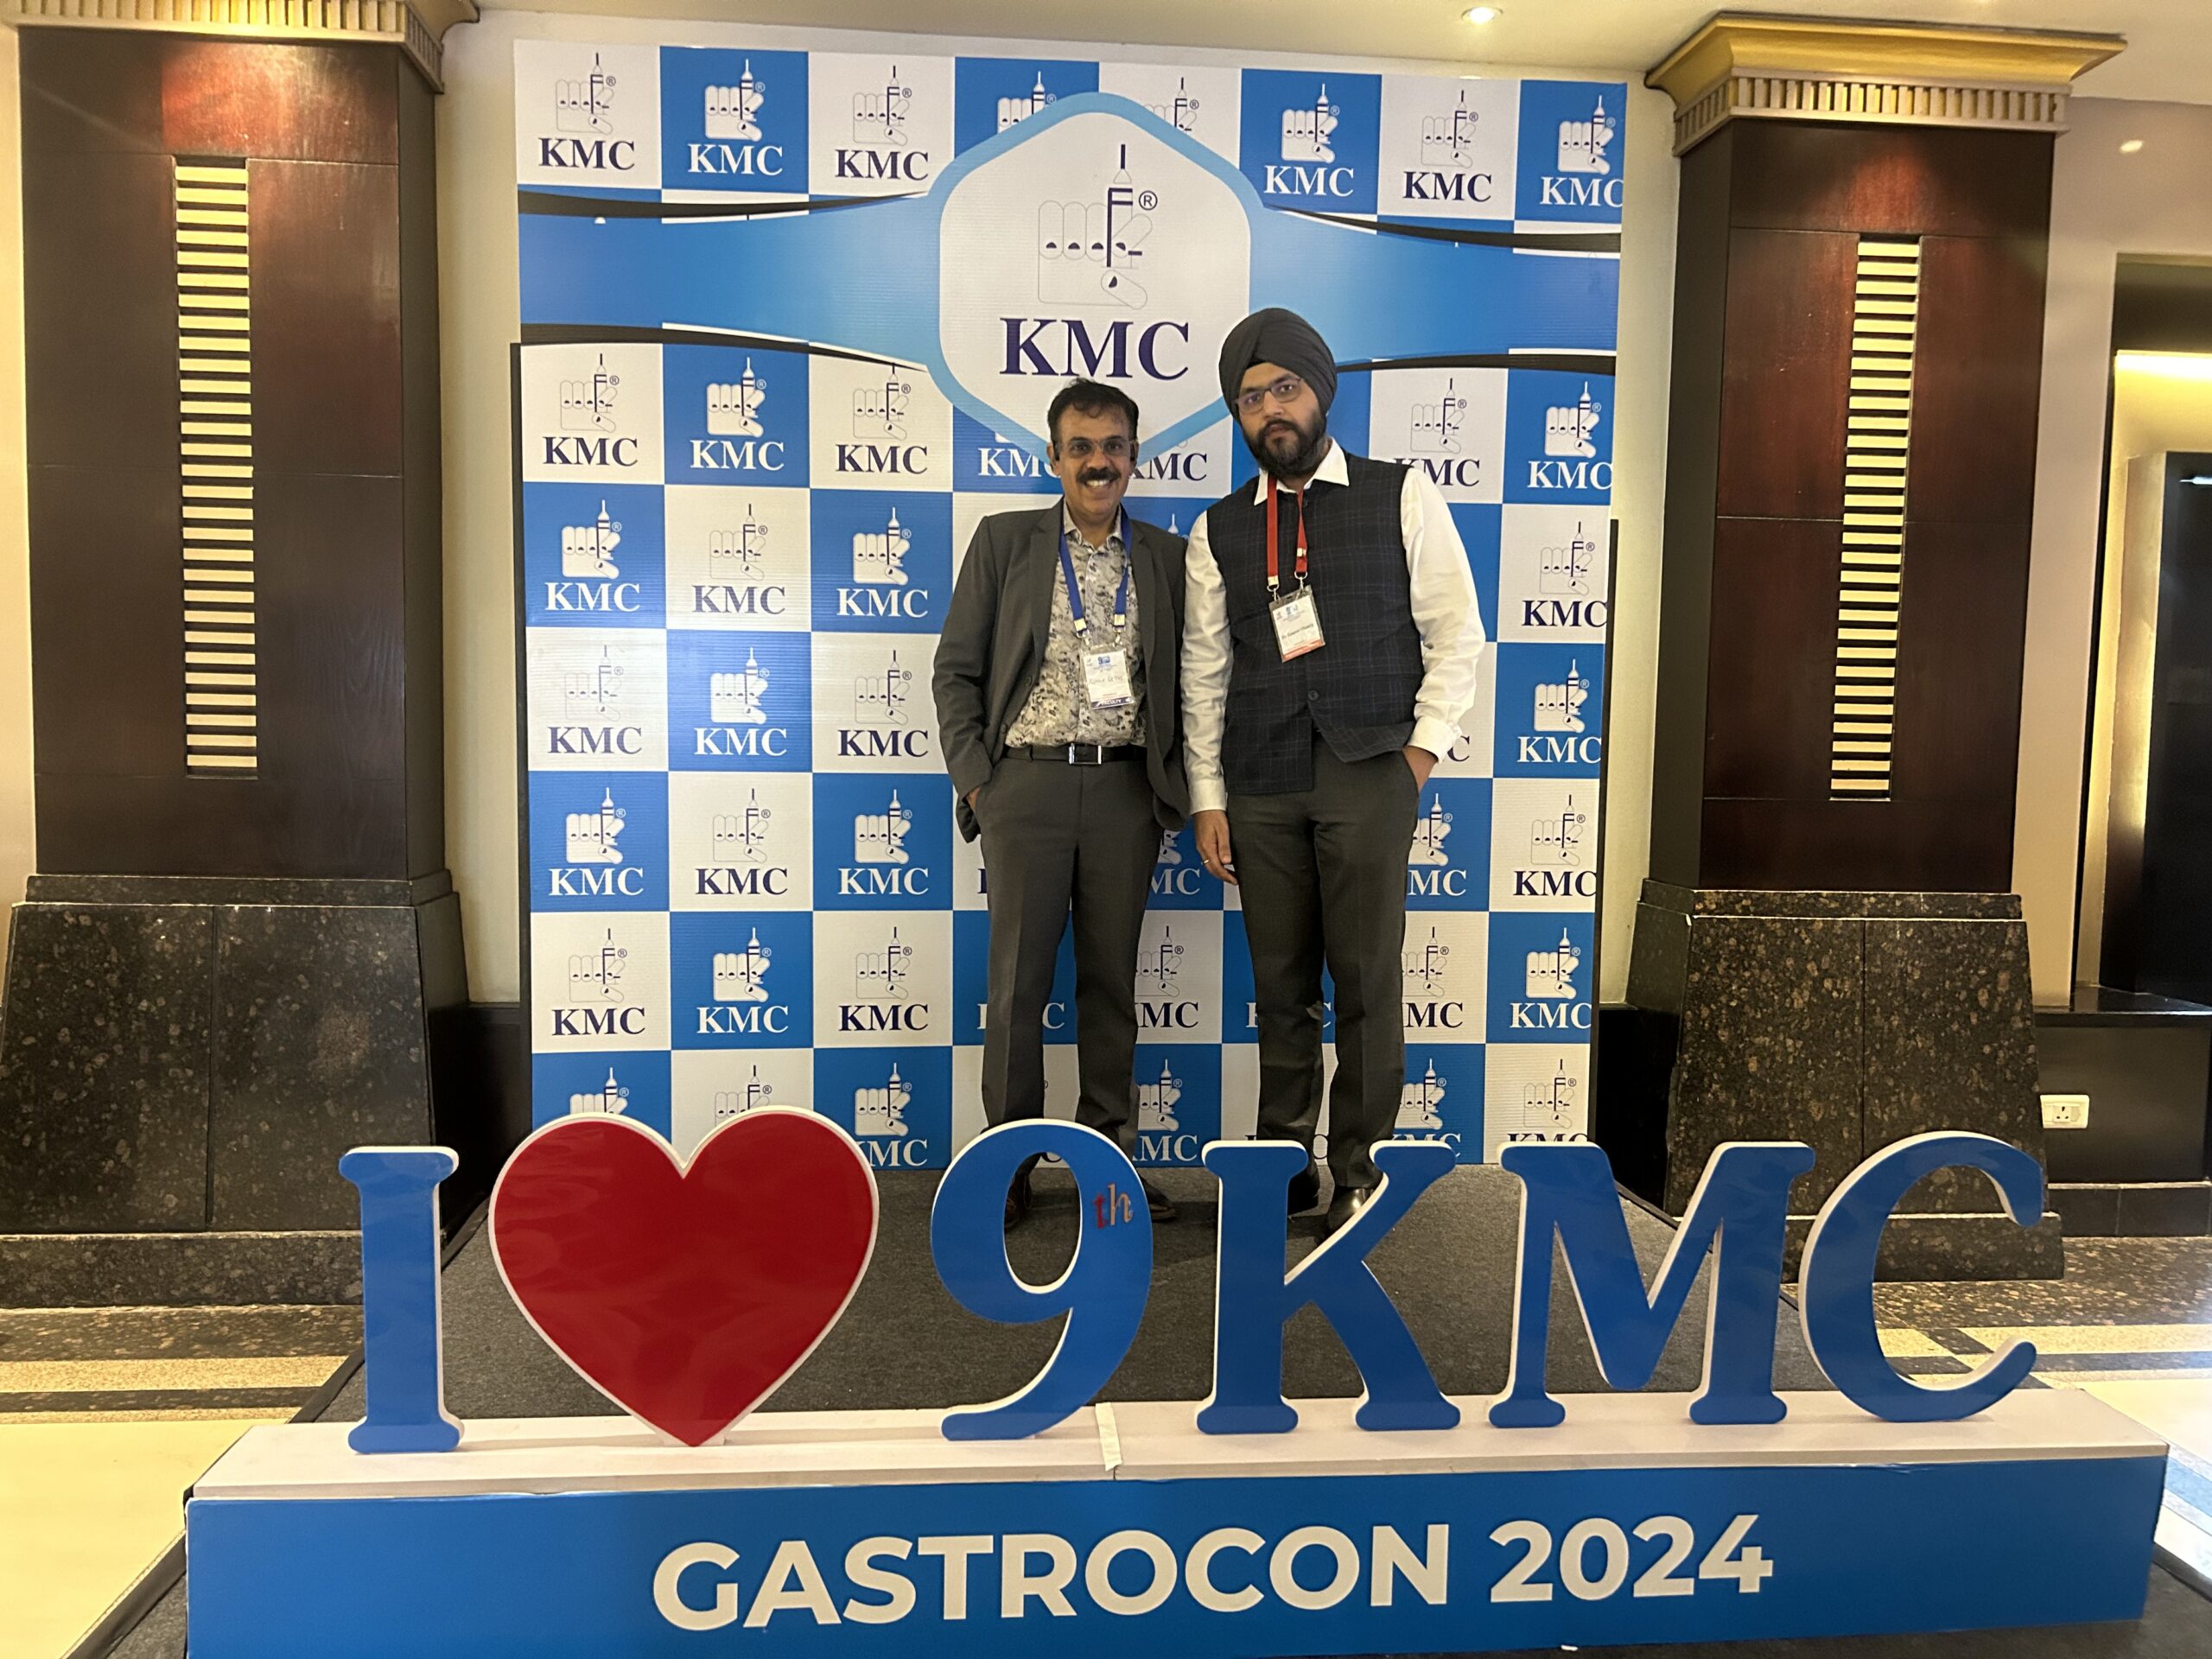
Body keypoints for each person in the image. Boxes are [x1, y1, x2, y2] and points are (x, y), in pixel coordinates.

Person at [1182, 308, 1486, 1235]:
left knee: (1364, 983)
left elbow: (1456, 634)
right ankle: (1283, 1166)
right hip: (1261, 782)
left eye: (1285, 389)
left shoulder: (1402, 493)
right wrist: (1208, 798)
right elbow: (1204, 673)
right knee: (1281, 990)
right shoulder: (1217, 529)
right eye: (1249, 398)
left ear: (1320, 393)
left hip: (1369, 771)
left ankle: (1359, 1168)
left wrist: (1417, 756)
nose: (1270, 410)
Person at [933, 378, 1189, 1229]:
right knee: (1016, 984)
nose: (1098, 462)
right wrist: (981, 781)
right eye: (1081, 447)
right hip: (1026, 787)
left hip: (1124, 791)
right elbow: (955, 671)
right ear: (1053, 457)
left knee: (1111, 984)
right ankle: (1007, 1163)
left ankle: (1107, 1160)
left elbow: (1190, 680)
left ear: (1133, 456)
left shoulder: (1166, 557)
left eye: (1113, 446)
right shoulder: (1005, 542)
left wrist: (1177, 788)